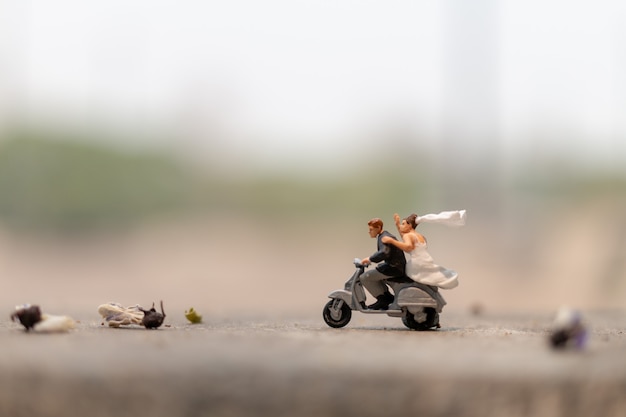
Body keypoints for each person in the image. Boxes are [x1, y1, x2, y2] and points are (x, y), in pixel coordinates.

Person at [381, 213, 459, 289]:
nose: (401, 226)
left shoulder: (408, 235)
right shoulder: (421, 236)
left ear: (410, 225)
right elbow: (405, 238)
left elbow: (408, 247)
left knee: (405, 270)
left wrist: (391, 241)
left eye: (403, 224)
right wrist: (397, 224)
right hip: (427, 260)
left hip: (417, 264)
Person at [360, 217, 406, 310]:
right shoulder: (383, 236)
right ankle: (386, 297)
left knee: (365, 277)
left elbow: (384, 252)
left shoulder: (384, 237)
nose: (369, 232)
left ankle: (383, 300)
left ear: (379, 227)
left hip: (394, 268)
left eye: (371, 229)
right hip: (394, 266)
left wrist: (370, 259)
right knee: (375, 273)